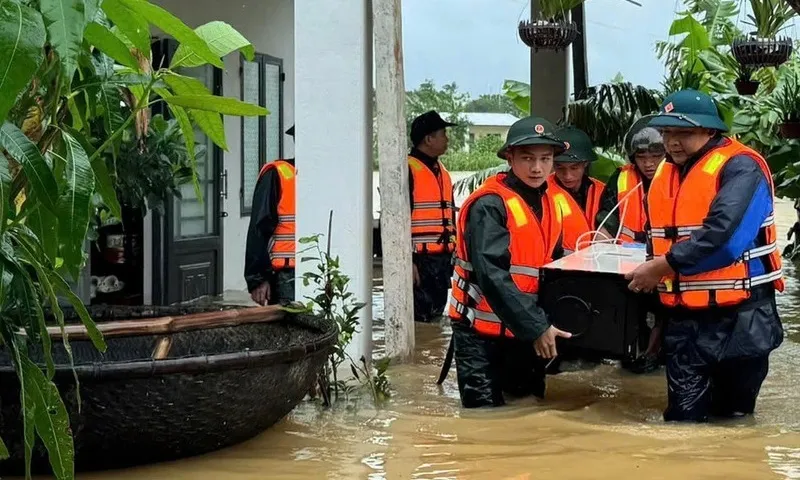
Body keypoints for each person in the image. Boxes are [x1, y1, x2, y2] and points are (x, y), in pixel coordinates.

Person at [625, 89, 784, 422]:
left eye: (683, 133)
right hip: (684, 321)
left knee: (735, 417)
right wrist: (657, 319)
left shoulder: (742, 168)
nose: (672, 142)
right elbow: (658, 245)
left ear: (710, 131)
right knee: (683, 420)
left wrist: (663, 267)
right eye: (667, 133)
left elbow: (726, 238)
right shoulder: (664, 176)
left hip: (742, 317)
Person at [439, 116, 572, 408]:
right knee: (484, 418)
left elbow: (555, 263)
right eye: (527, 158)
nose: (537, 168)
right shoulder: (489, 205)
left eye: (545, 159)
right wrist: (537, 327)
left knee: (529, 406)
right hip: (480, 334)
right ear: (510, 157)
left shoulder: (551, 201)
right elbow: (491, 274)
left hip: (523, 329)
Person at [597, 117, 667, 374]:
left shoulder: (681, 178)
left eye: (655, 155)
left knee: (665, 314)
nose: (648, 163)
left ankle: (654, 353)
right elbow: (606, 219)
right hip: (627, 267)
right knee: (628, 315)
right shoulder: (621, 180)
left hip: (666, 265)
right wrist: (598, 251)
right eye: (641, 157)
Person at [408, 110, 458, 323]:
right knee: (419, 319)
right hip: (419, 260)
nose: (447, 139)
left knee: (435, 319)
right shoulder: (407, 170)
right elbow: (395, 221)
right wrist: (407, 263)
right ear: (429, 139)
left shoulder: (442, 172)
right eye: (443, 133)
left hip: (441, 259)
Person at [244, 125, 297, 306]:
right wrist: (257, 279)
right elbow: (259, 228)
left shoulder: (330, 176)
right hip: (287, 276)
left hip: (322, 271)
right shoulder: (279, 174)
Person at [546, 126, 605, 253]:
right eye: (560, 167)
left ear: (585, 163)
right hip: (559, 267)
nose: (567, 176)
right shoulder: (542, 191)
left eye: (574, 168)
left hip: (599, 265)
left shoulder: (603, 192)